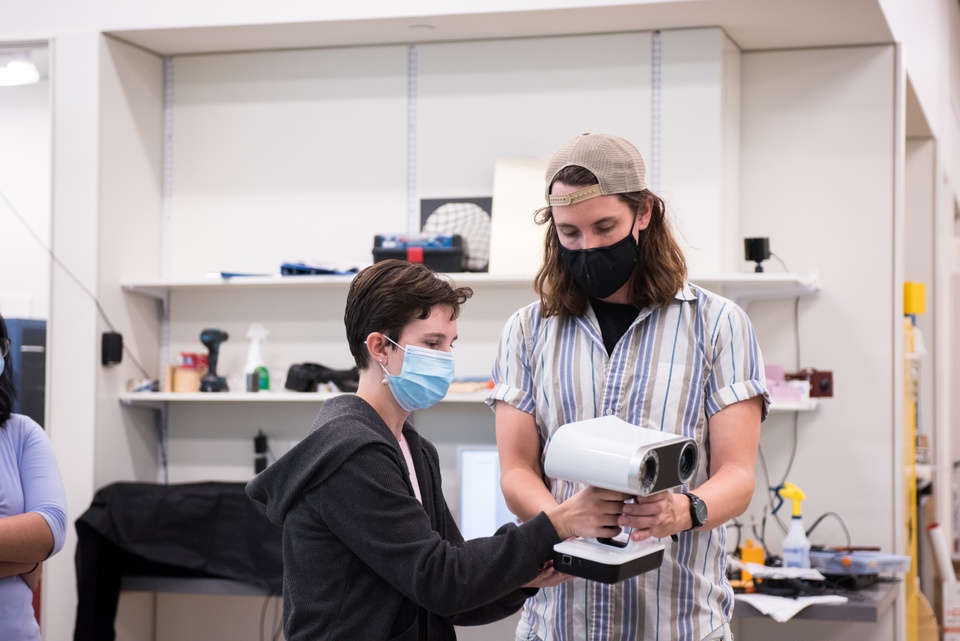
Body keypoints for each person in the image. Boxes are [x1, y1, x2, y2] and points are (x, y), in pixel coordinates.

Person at [247, 258, 631, 641]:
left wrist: (526, 578)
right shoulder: (352, 453)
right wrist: (558, 523)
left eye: (450, 344)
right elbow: (441, 579)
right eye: (431, 343)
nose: (446, 358)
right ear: (380, 346)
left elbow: (452, 598)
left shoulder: (414, 449)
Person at [488, 133, 770, 641]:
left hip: (677, 623)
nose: (588, 246)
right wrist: (565, 520)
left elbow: (738, 476)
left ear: (644, 213)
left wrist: (683, 510)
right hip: (559, 623)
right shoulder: (527, 331)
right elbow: (516, 472)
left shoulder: (718, 324)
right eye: (569, 232)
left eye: (604, 226)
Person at [0, 311, 68, 641]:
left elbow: (50, 528)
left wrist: (34, 552)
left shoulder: (23, 433)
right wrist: (23, 562)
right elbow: (33, 548)